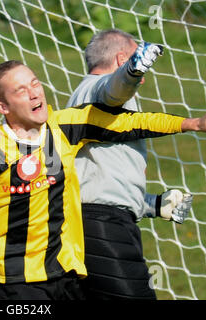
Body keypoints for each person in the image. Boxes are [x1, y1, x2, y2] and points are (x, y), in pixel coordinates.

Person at [0, 60, 206, 300]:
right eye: (21, 91)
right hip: (15, 281)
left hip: (66, 274)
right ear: (2, 108)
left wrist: (193, 123)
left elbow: (130, 123)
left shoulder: (64, 126)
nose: (34, 93)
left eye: (35, 83)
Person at [65, 29, 198, 299]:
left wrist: (152, 204)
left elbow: (99, 177)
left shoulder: (84, 97)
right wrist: (132, 72)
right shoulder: (97, 89)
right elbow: (114, 90)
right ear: (121, 59)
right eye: (135, 60)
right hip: (101, 228)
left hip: (103, 225)